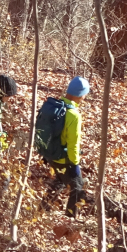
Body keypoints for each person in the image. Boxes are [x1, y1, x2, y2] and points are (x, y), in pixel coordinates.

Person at [44, 76, 89, 217]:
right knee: (78, 187)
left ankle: (42, 209)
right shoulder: (73, 115)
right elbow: (73, 144)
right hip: (63, 158)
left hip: (50, 154)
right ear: (81, 95)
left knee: (60, 180)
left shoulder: (55, 106)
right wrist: (75, 164)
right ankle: (70, 219)